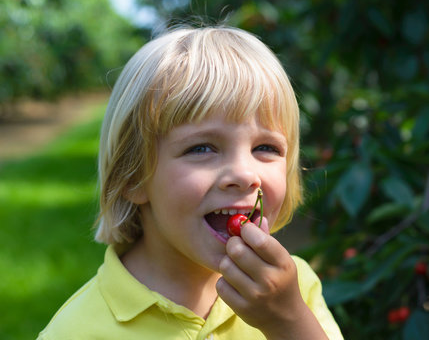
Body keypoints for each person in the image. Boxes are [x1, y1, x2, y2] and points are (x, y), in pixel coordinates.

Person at [37, 25, 343, 340]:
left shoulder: (294, 292)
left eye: (265, 148)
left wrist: (288, 322)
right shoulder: (76, 331)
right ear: (133, 176)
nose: (244, 174)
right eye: (202, 148)